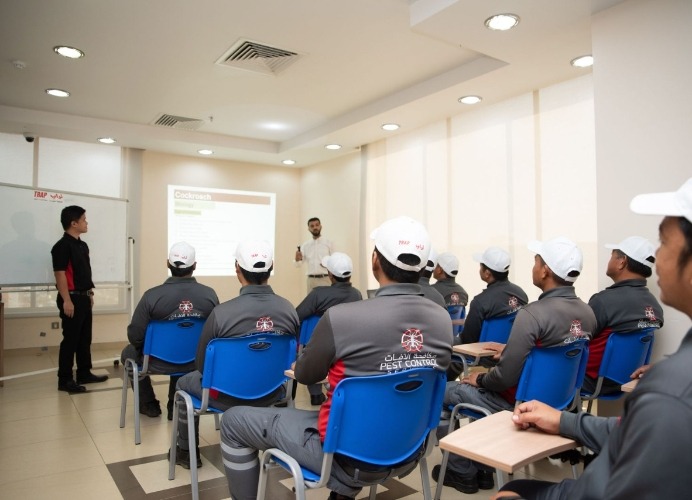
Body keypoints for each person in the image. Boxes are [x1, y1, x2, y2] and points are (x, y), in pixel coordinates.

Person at [220, 216, 453, 500]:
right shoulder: (442, 319)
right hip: (410, 447)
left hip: (343, 452)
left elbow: (305, 376)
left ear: (375, 260)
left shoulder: (343, 318)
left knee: (233, 420)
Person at [495, 177, 692, 500]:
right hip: (595, 386)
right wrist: (568, 422)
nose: (658, 254)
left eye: (665, 242)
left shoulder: (668, 395)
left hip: (585, 381)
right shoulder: (654, 310)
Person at [434, 237, 596, 494]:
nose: (533, 267)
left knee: (445, 394)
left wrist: (480, 380)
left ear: (545, 270)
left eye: (536, 261)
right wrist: (512, 351)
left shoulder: (533, 314)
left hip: (516, 404)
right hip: (556, 403)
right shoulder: (587, 313)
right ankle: (484, 469)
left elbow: (503, 379)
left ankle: (461, 471)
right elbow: (548, 354)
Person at [172, 240, 299, 469]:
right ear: (271, 268)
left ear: (237, 270)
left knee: (182, 382)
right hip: (273, 392)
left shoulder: (222, 313)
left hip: (224, 397)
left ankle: (185, 451)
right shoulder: (289, 309)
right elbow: (293, 360)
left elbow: (202, 365)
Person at [120, 242, 219, 420]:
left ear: (168, 263)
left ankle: (148, 404)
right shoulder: (209, 295)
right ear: (194, 265)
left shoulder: (152, 296)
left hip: (156, 361)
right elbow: (215, 335)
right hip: (195, 361)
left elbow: (135, 336)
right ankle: (177, 405)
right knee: (185, 350)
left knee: (128, 352)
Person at [582, 236, 664, 395]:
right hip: (629, 379)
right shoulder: (655, 306)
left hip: (593, 382)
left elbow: (574, 339)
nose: (609, 260)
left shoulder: (603, 301)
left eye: (612, 255)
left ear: (622, 261)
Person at [51, 205, 107, 394]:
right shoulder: (61, 246)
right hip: (71, 298)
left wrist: (90, 294)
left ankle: (84, 372)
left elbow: (84, 273)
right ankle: (65, 379)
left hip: (83, 297)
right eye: (83, 220)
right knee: (71, 340)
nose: (86, 222)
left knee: (84, 338)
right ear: (73, 223)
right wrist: (66, 300)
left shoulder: (82, 245)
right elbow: (60, 275)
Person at [295, 251, 363, 406]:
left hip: (321, 347)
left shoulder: (319, 294)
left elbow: (297, 314)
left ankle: (315, 393)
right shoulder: (356, 294)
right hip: (348, 347)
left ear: (330, 274)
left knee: (310, 320)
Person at [461, 246, 529, 345]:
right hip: (511, 354)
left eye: (481, 266)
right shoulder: (521, 294)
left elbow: (468, 340)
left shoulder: (480, 302)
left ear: (487, 273)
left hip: (483, 357)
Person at [295, 217, 334, 291]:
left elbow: (334, 261)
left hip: (325, 279)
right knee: (312, 302)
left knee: (326, 302)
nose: (315, 227)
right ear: (308, 229)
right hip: (311, 281)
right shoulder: (305, 245)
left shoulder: (328, 242)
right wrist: (297, 259)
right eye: (312, 226)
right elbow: (298, 265)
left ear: (321, 226)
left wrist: (327, 264)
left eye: (317, 225)